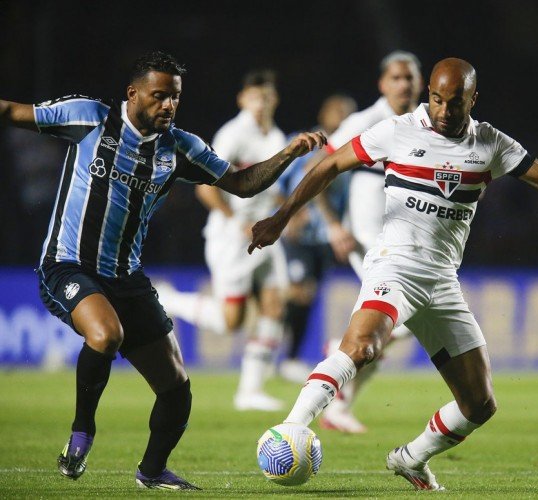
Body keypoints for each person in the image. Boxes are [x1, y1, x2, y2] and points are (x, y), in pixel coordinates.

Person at [248, 57, 538, 490]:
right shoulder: (399, 129)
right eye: (437, 99)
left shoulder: (491, 143)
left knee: (479, 404)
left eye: (455, 103)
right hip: (395, 264)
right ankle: (291, 428)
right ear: (429, 94)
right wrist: (280, 217)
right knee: (363, 346)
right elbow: (331, 164)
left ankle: (411, 457)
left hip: (442, 281)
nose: (444, 110)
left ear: (473, 100)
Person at [0, 51, 325, 489]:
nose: (168, 106)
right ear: (132, 94)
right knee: (106, 334)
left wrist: (289, 152)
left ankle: (151, 473)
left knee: (177, 391)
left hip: (127, 278)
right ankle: (82, 433)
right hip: (67, 264)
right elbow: (11, 111)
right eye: (159, 97)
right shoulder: (89, 118)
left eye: (175, 98)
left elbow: (243, 184)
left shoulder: (181, 148)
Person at [157, 69, 290, 412]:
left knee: (275, 304)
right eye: (255, 96)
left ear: (275, 100)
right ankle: (171, 300)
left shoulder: (274, 135)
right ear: (243, 99)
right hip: (232, 238)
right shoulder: (234, 133)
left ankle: (250, 391)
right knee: (232, 321)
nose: (262, 103)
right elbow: (205, 187)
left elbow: (267, 188)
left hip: (262, 234)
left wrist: (285, 212)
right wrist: (236, 223)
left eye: (267, 96)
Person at [311, 50, 425, 433]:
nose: (404, 85)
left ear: (420, 83)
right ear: (382, 84)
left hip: (407, 236)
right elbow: (320, 168)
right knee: (403, 320)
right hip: (369, 234)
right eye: (396, 78)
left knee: (390, 326)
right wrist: (332, 225)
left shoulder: (425, 123)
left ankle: (340, 399)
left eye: (410, 78)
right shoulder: (365, 121)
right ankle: (339, 385)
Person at [277, 93, 357, 383]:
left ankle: (289, 356)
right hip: (300, 233)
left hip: (324, 238)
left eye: (348, 112)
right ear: (324, 113)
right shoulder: (308, 144)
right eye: (337, 110)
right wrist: (291, 212)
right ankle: (282, 353)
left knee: (307, 296)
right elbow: (280, 182)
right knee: (299, 291)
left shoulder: (352, 150)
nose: (342, 116)